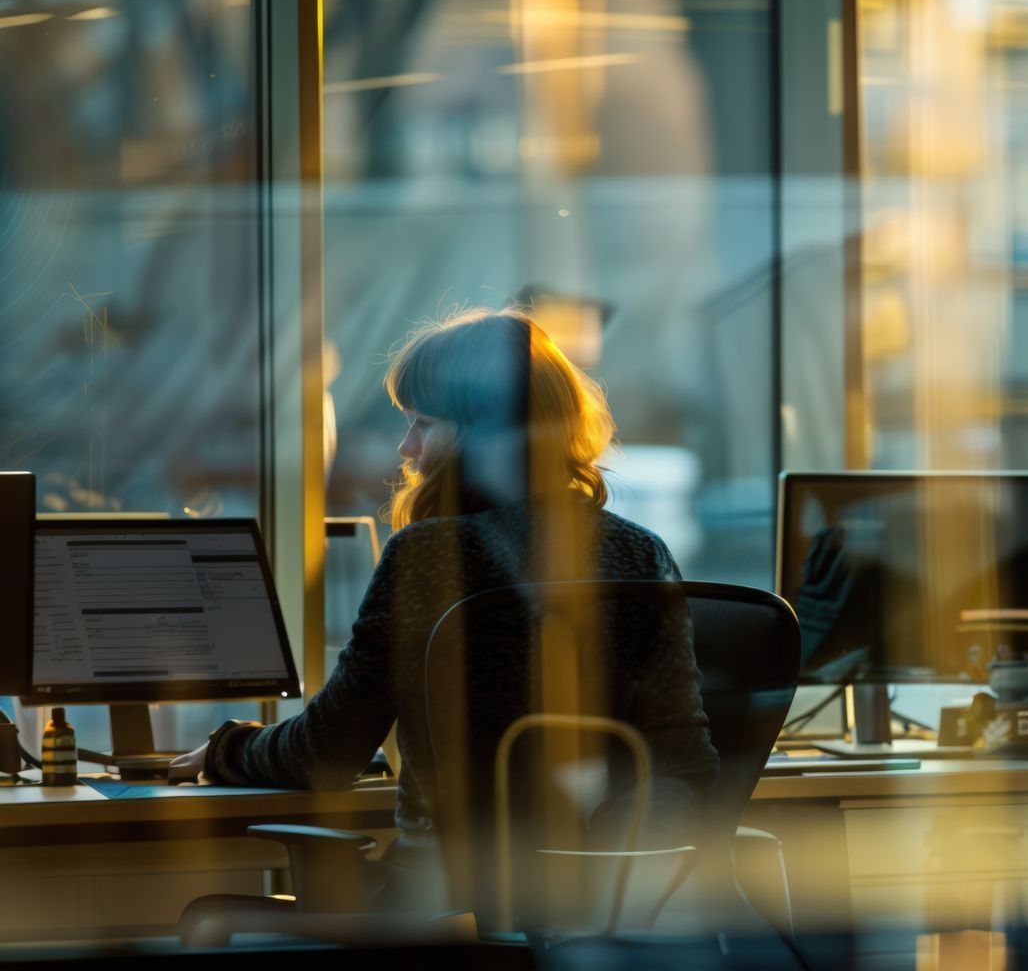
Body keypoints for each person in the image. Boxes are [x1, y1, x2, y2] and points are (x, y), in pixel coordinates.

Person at [169, 308, 718, 902]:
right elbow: (684, 761)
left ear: (483, 436)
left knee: (207, 914)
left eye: (423, 424)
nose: (406, 448)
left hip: (444, 904)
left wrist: (227, 748)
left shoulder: (433, 553)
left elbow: (327, 754)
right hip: (606, 908)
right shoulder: (641, 552)